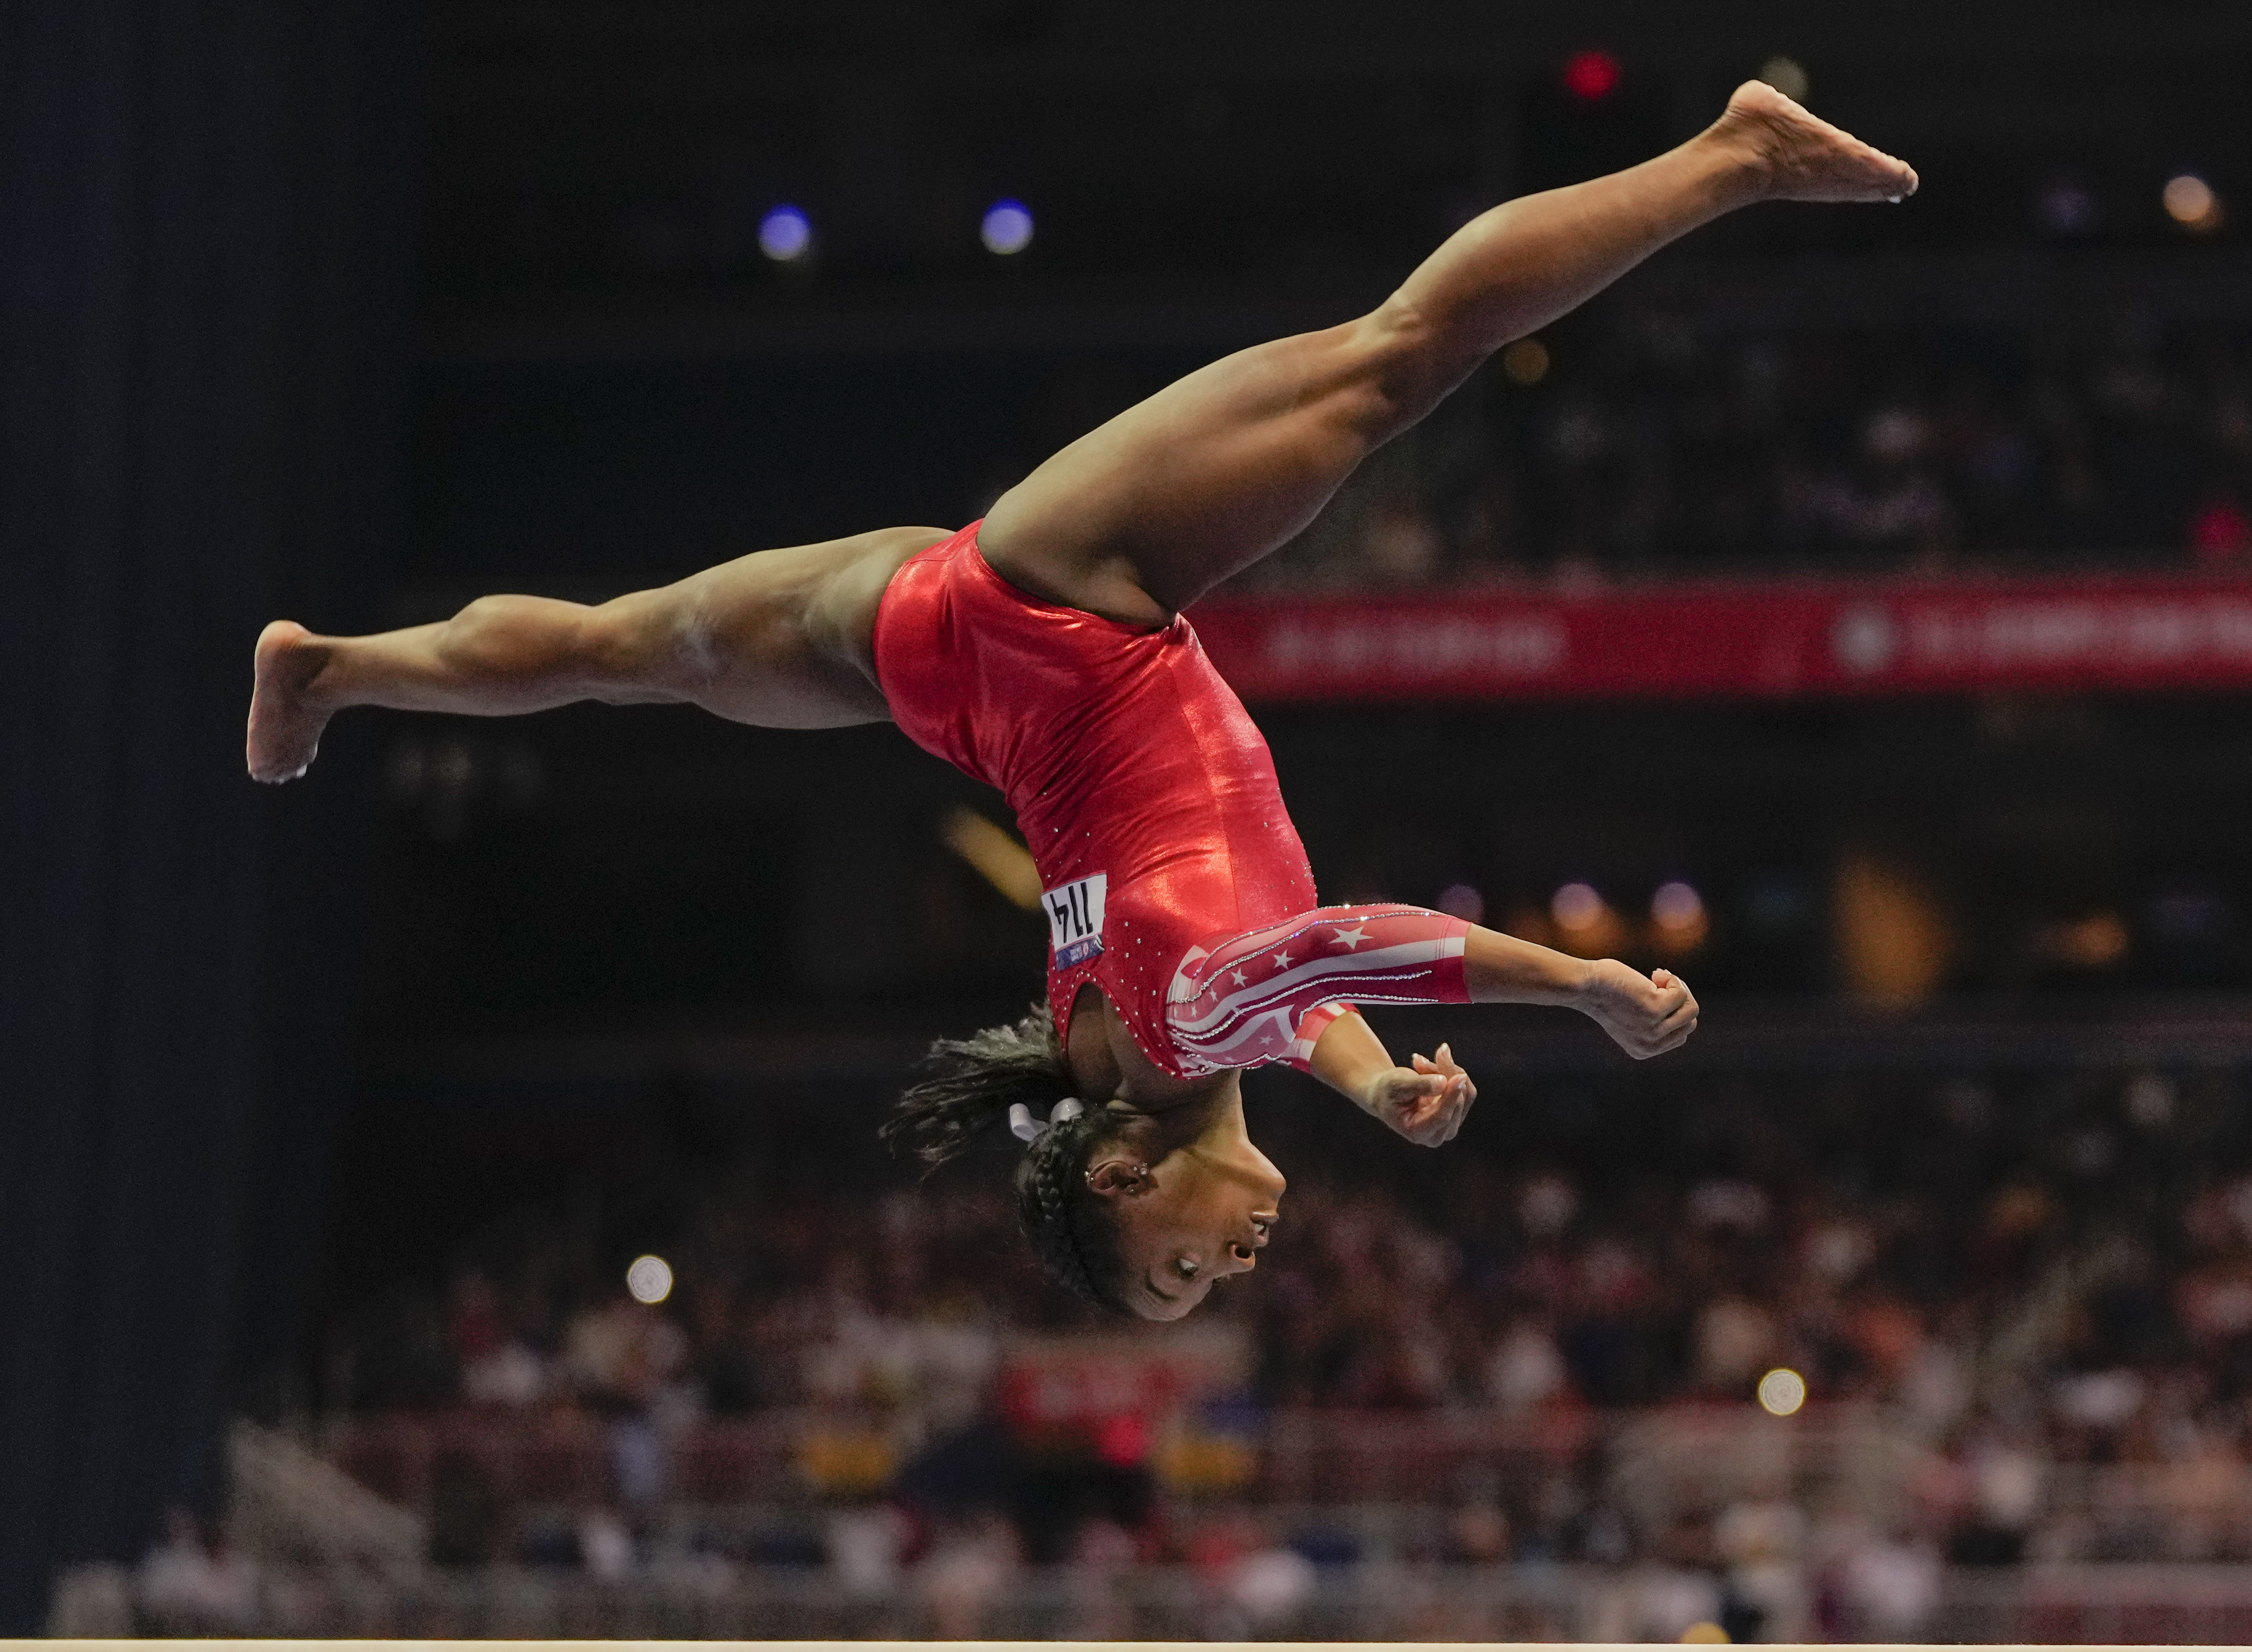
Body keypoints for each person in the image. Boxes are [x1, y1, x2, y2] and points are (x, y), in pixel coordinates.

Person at [247, 83, 1916, 1320]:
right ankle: (337, 670)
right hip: (922, 663)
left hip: (1069, 593)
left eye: (1177, 1264)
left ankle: (1732, 155)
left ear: (1121, 1173)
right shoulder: (1121, 1045)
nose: (1227, 1264)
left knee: (1399, 355)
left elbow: (1340, 949)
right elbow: (1281, 992)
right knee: (627, 651)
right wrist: (1373, 1089)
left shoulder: (1174, 1034)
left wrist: (1582, 989)